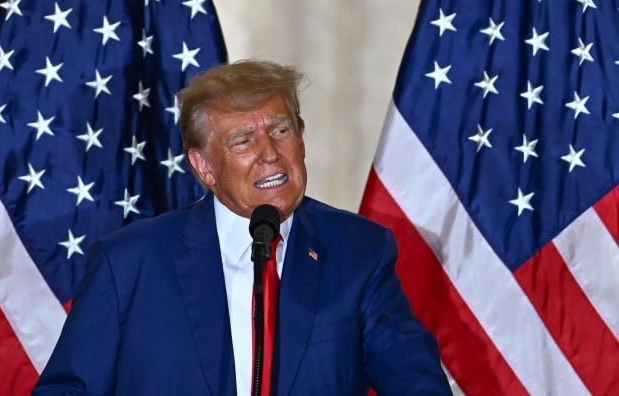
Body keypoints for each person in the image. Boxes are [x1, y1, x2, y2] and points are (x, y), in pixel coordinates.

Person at [32, 60, 451, 395]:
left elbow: (416, 384)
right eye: (243, 141)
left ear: (301, 140)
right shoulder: (128, 263)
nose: (270, 154)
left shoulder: (358, 251)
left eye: (281, 131)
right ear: (204, 166)